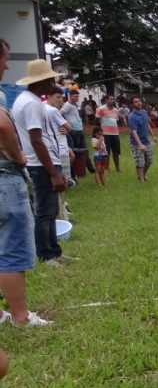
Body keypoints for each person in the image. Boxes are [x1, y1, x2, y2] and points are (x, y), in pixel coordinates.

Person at [0, 40, 50, 327]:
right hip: (7, 177)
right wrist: (17, 155)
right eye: (5, 59)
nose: (7, 65)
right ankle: (20, 316)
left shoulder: (22, 100)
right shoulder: (29, 102)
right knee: (11, 248)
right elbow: (5, 127)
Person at [12, 60, 68, 266]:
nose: (53, 83)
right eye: (50, 79)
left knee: (51, 209)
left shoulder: (28, 100)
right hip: (41, 164)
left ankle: (54, 250)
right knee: (45, 211)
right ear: (42, 80)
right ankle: (46, 254)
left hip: (44, 162)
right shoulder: (32, 104)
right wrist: (53, 173)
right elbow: (36, 140)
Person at [44, 88, 74, 218]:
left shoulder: (41, 108)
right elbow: (69, 127)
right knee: (63, 181)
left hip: (52, 149)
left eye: (61, 97)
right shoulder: (52, 110)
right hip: (59, 150)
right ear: (48, 96)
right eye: (57, 97)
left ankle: (60, 208)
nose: (60, 100)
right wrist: (65, 128)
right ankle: (62, 210)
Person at [62, 89, 94, 178]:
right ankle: (75, 171)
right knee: (75, 151)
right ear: (70, 96)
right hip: (73, 131)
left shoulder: (75, 105)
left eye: (78, 96)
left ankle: (91, 170)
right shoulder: (67, 105)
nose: (77, 98)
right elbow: (60, 113)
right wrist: (66, 123)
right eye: (75, 96)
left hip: (79, 130)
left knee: (84, 151)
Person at [128, 95, 157, 182]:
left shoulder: (144, 112)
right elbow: (134, 132)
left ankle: (142, 175)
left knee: (149, 160)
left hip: (146, 141)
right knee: (140, 162)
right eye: (136, 102)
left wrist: (153, 136)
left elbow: (147, 124)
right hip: (137, 143)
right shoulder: (132, 117)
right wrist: (140, 144)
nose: (138, 103)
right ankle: (141, 180)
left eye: (139, 101)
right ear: (132, 104)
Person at [95, 95, 122, 172]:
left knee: (116, 152)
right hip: (105, 134)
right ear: (106, 100)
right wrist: (100, 131)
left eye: (113, 99)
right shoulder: (101, 109)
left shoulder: (116, 111)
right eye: (111, 99)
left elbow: (116, 120)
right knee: (106, 152)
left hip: (115, 134)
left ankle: (118, 168)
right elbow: (96, 120)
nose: (112, 100)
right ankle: (106, 168)